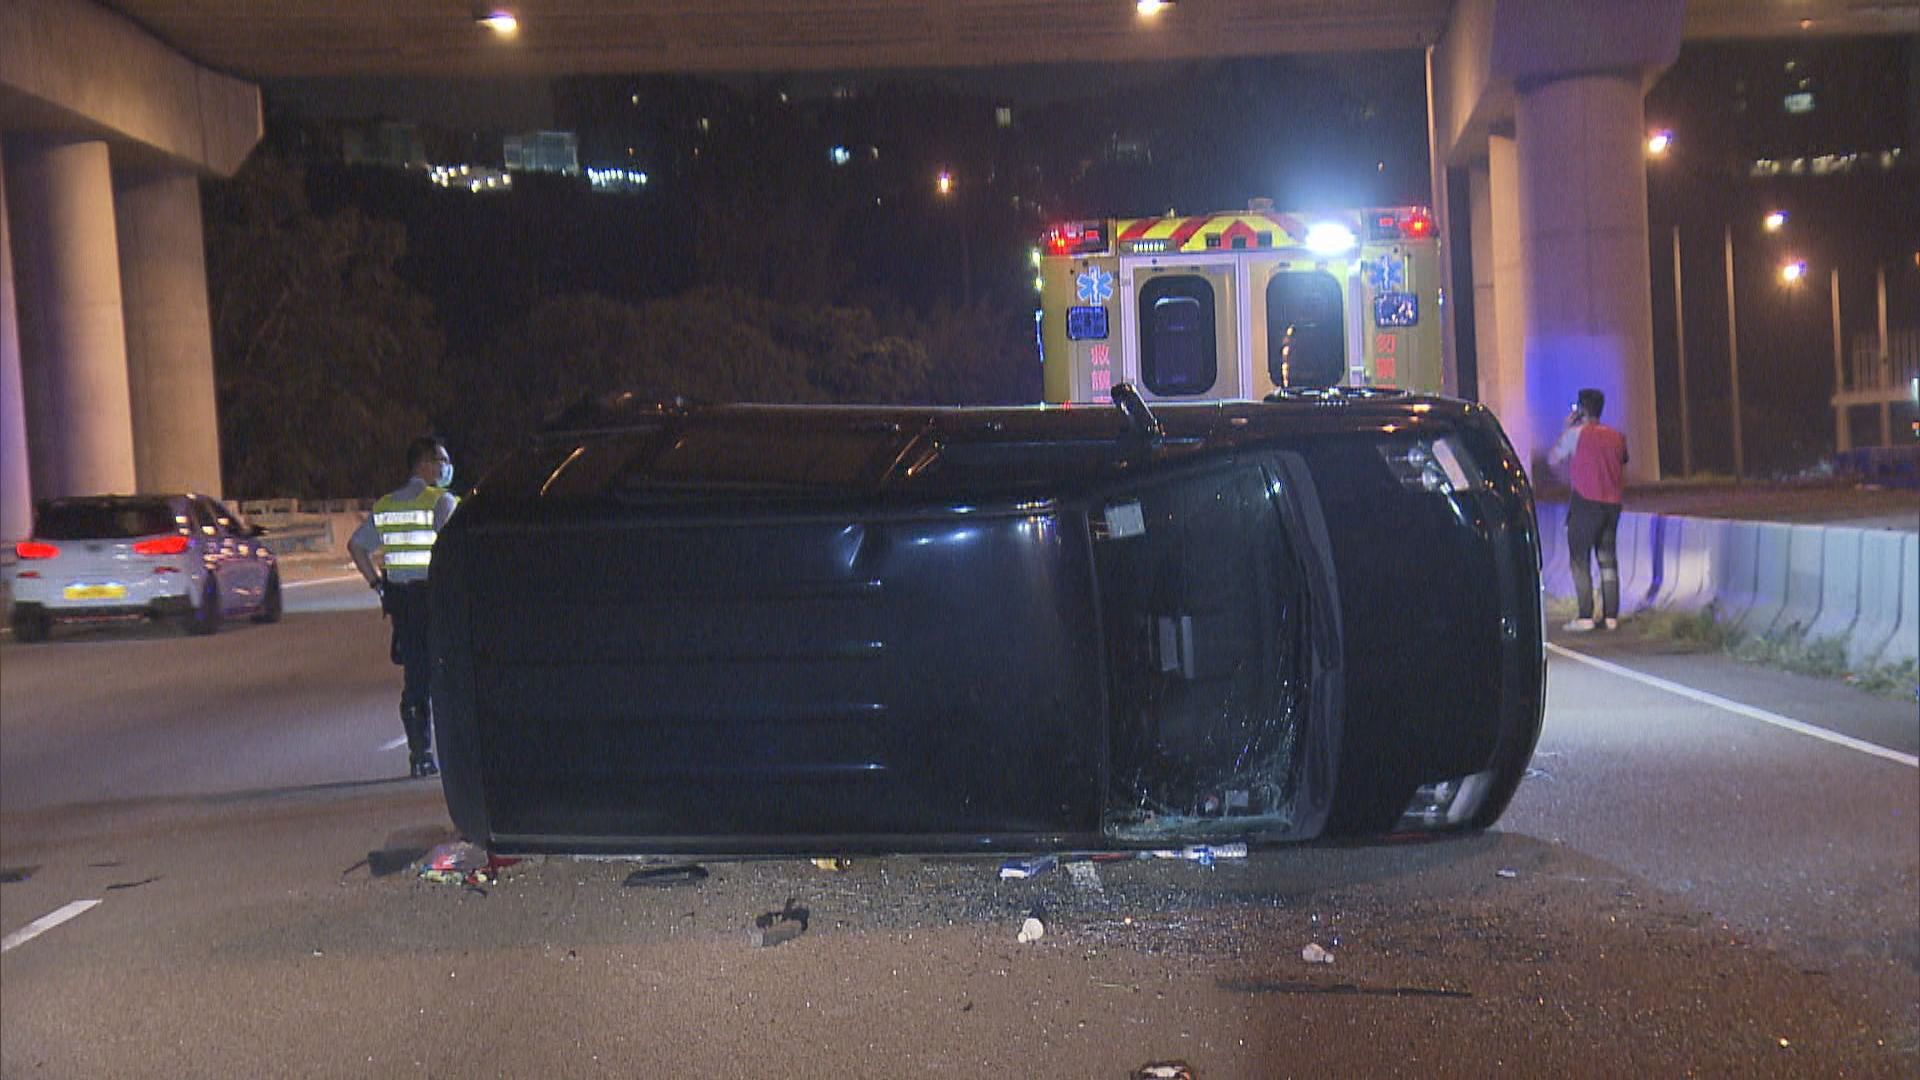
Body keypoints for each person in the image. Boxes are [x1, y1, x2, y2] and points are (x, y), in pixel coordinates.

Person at [349, 436, 459, 777]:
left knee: (415, 677)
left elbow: (356, 546)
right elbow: (454, 552)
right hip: (436, 600)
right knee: (448, 676)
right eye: (441, 460)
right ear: (425, 464)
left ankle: (419, 755)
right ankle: (456, 756)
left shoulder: (385, 506)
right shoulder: (441, 502)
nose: (445, 467)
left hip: (402, 603)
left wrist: (378, 585)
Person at [1548, 388, 1629, 632]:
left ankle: (1585, 615)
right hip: (1612, 504)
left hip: (1585, 501)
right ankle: (1611, 616)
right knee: (1608, 560)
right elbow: (1623, 460)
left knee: (1579, 559)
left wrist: (1567, 428)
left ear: (1582, 410)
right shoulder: (1617, 436)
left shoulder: (1575, 435)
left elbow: (1553, 459)